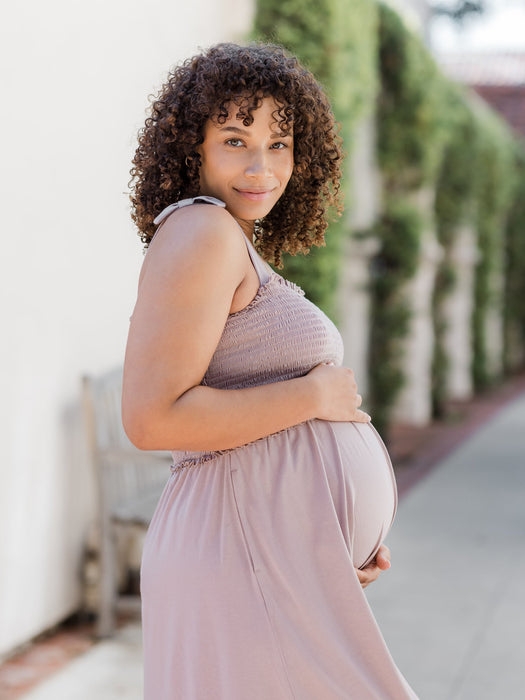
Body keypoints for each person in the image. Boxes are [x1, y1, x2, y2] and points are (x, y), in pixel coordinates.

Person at [123, 42, 417, 699]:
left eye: (279, 144)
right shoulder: (200, 233)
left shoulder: (222, 236)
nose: (262, 166)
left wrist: (326, 546)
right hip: (237, 555)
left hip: (269, 557)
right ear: (189, 147)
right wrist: (313, 394)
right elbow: (150, 417)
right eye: (234, 139)